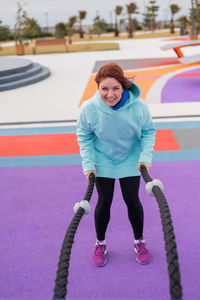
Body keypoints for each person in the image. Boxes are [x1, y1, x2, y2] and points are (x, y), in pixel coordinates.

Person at [76, 63, 156, 267]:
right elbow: (84, 136)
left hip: (130, 157)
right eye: (105, 88)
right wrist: (89, 164)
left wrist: (145, 157)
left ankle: (140, 241)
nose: (110, 94)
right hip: (103, 158)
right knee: (104, 200)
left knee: (132, 199)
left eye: (115, 88)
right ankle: (100, 243)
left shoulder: (139, 106)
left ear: (124, 86)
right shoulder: (89, 108)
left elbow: (148, 131)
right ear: (98, 88)